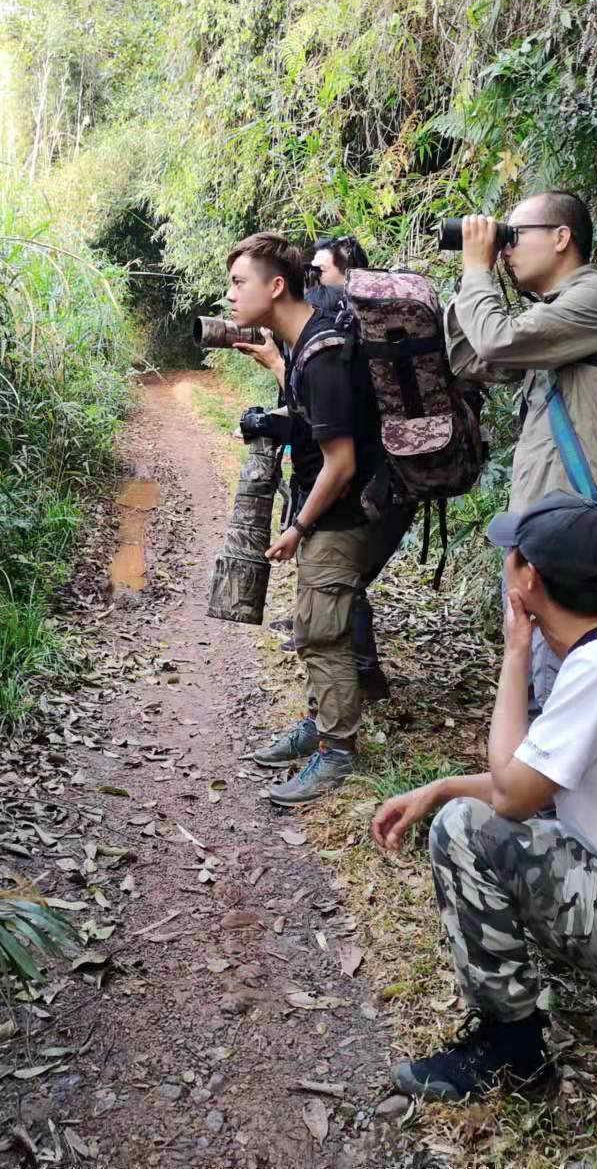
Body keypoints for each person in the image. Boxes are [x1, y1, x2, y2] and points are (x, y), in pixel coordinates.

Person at [369, 492, 597, 1101]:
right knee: (468, 811)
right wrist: (437, 787)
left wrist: (516, 653)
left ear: (530, 578)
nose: (505, 566)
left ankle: (511, 1051)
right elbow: (533, 783)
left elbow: (513, 798)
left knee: (462, 830)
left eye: (510, 557)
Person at [443, 192, 597, 711]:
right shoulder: (555, 317)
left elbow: (497, 342)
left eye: (516, 234)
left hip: (576, 530)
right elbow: (475, 360)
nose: (506, 247)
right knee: (538, 680)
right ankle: (536, 786)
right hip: (545, 525)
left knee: (562, 687)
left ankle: (548, 794)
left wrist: (477, 270)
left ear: (561, 238)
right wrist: (459, 287)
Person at [224, 233, 382, 805]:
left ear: (276, 286)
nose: (231, 295)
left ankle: (337, 752)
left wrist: (297, 527)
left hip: (346, 510)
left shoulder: (323, 353)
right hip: (334, 508)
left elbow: (341, 462)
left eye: (240, 283)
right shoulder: (303, 348)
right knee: (315, 622)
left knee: (321, 629)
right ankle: (320, 725)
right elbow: (316, 429)